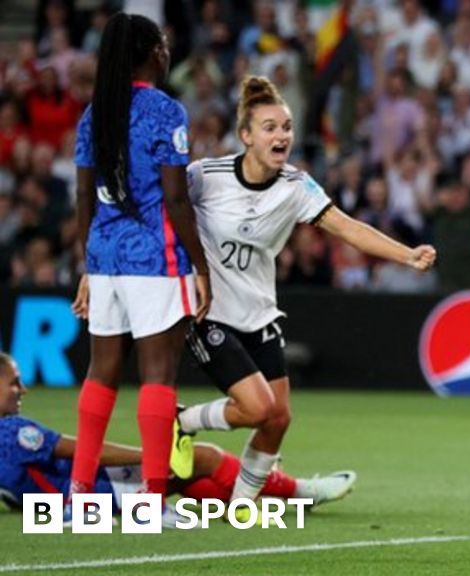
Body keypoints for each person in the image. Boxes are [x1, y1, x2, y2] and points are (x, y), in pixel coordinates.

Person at [176, 76, 436, 517]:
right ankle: (182, 422)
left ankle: (242, 506)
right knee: (258, 408)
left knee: (278, 418)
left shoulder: (296, 186)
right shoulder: (205, 177)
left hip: (259, 313)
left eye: (287, 127)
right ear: (246, 136)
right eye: (269, 128)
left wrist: (406, 255)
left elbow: (347, 227)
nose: (282, 136)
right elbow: (162, 206)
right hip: (209, 312)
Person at [68, 13, 211, 510]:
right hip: (154, 257)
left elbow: (83, 196)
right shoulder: (165, 111)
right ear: (154, 53)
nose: (168, 52)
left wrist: (88, 266)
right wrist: (201, 267)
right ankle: (152, 500)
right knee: (158, 375)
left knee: (100, 372)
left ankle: (79, 494)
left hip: (105, 258)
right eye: (164, 45)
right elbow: (175, 197)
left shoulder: (94, 112)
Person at [0, 353, 354, 526]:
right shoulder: (12, 430)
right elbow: (84, 450)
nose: (23, 389)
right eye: (14, 382)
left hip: (71, 504)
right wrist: (152, 457)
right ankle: (299, 490)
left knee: (189, 473)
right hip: (96, 497)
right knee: (201, 457)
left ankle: (262, 500)